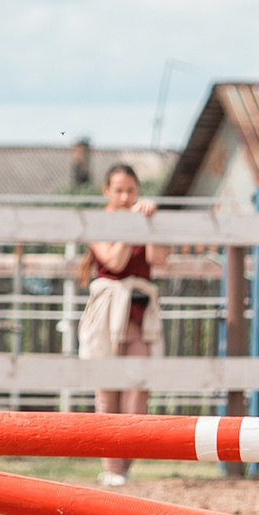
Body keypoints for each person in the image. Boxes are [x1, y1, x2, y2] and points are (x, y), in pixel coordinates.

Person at [80, 164, 166, 487]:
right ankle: (112, 468)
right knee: (107, 392)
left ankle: (123, 468)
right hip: (108, 315)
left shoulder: (145, 219)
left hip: (140, 317)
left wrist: (149, 223)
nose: (125, 196)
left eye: (131, 190)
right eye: (118, 190)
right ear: (107, 191)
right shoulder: (98, 223)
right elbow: (114, 261)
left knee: (138, 391)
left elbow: (158, 258)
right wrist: (133, 225)